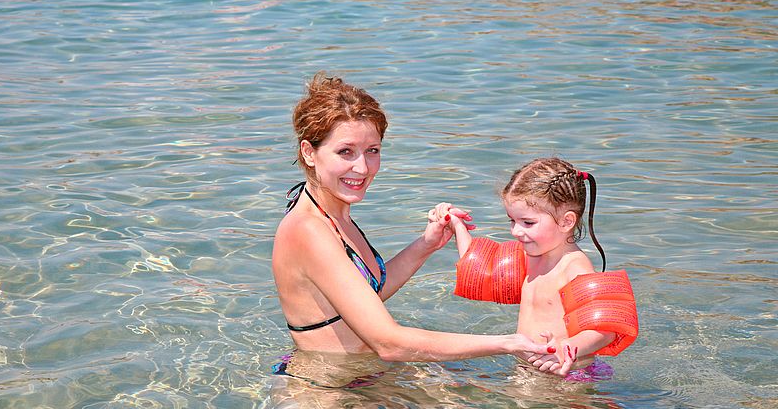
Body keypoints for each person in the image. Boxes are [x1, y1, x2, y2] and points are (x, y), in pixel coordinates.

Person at [272, 72, 550, 363]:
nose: (363, 168)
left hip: (359, 377)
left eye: (372, 151)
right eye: (345, 152)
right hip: (328, 397)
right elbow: (389, 343)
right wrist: (509, 343)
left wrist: (426, 244)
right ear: (309, 152)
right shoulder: (309, 230)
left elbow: (364, 297)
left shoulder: (330, 213)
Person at [434, 157, 637, 378]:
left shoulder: (574, 267)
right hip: (528, 369)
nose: (516, 231)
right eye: (512, 220)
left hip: (568, 374)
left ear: (566, 222)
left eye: (527, 223)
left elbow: (604, 330)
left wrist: (567, 348)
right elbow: (480, 268)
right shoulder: (530, 256)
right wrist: (457, 226)